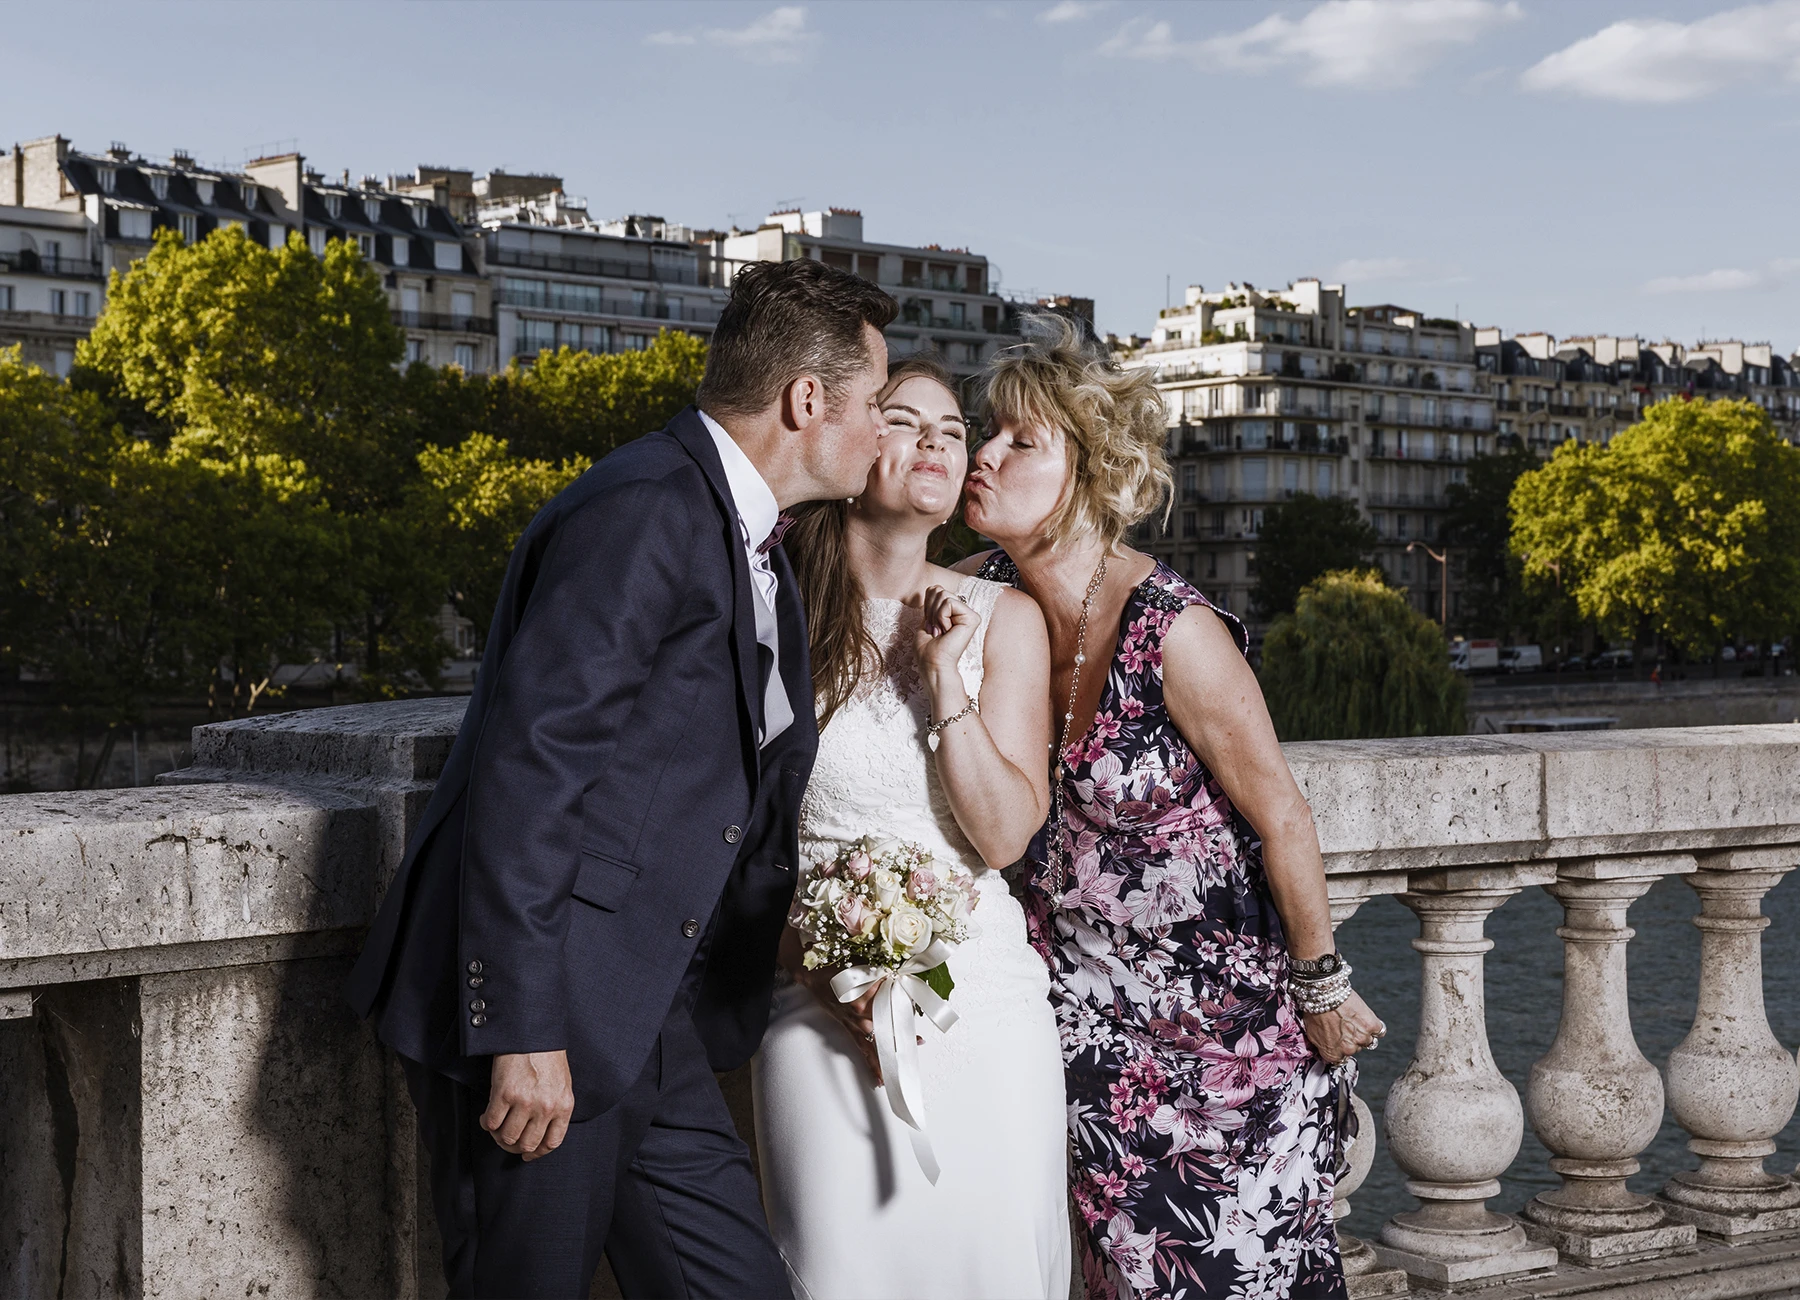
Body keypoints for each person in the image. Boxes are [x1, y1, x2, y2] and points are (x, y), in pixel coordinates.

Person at [343, 259, 898, 1299]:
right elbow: (533, 769)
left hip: (651, 1016)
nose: (885, 431)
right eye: (875, 403)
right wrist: (521, 1029)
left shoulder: (762, 547)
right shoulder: (647, 506)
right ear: (807, 399)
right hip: (548, 1016)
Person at [957, 316, 1385, 1300]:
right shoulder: (978, 595)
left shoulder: (1173, 631)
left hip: (1225, 1051)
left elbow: (1283, 814)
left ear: (1091, 470)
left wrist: (1322, 987)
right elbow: (863, 585)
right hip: (1078, 1047)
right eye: (986, 432)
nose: (985, 454)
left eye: (1021, 440)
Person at [753, 356, 1070, 1299]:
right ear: (848, 443)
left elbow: (1008, 836)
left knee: (994, 1267)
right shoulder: (775, 612)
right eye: (903, 420)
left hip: (983, 1003)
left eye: (950, 428)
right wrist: (818, 961)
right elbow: (731, 827)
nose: (935, 440)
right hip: (814, 1003)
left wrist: (943, 683)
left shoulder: (1001, 617)